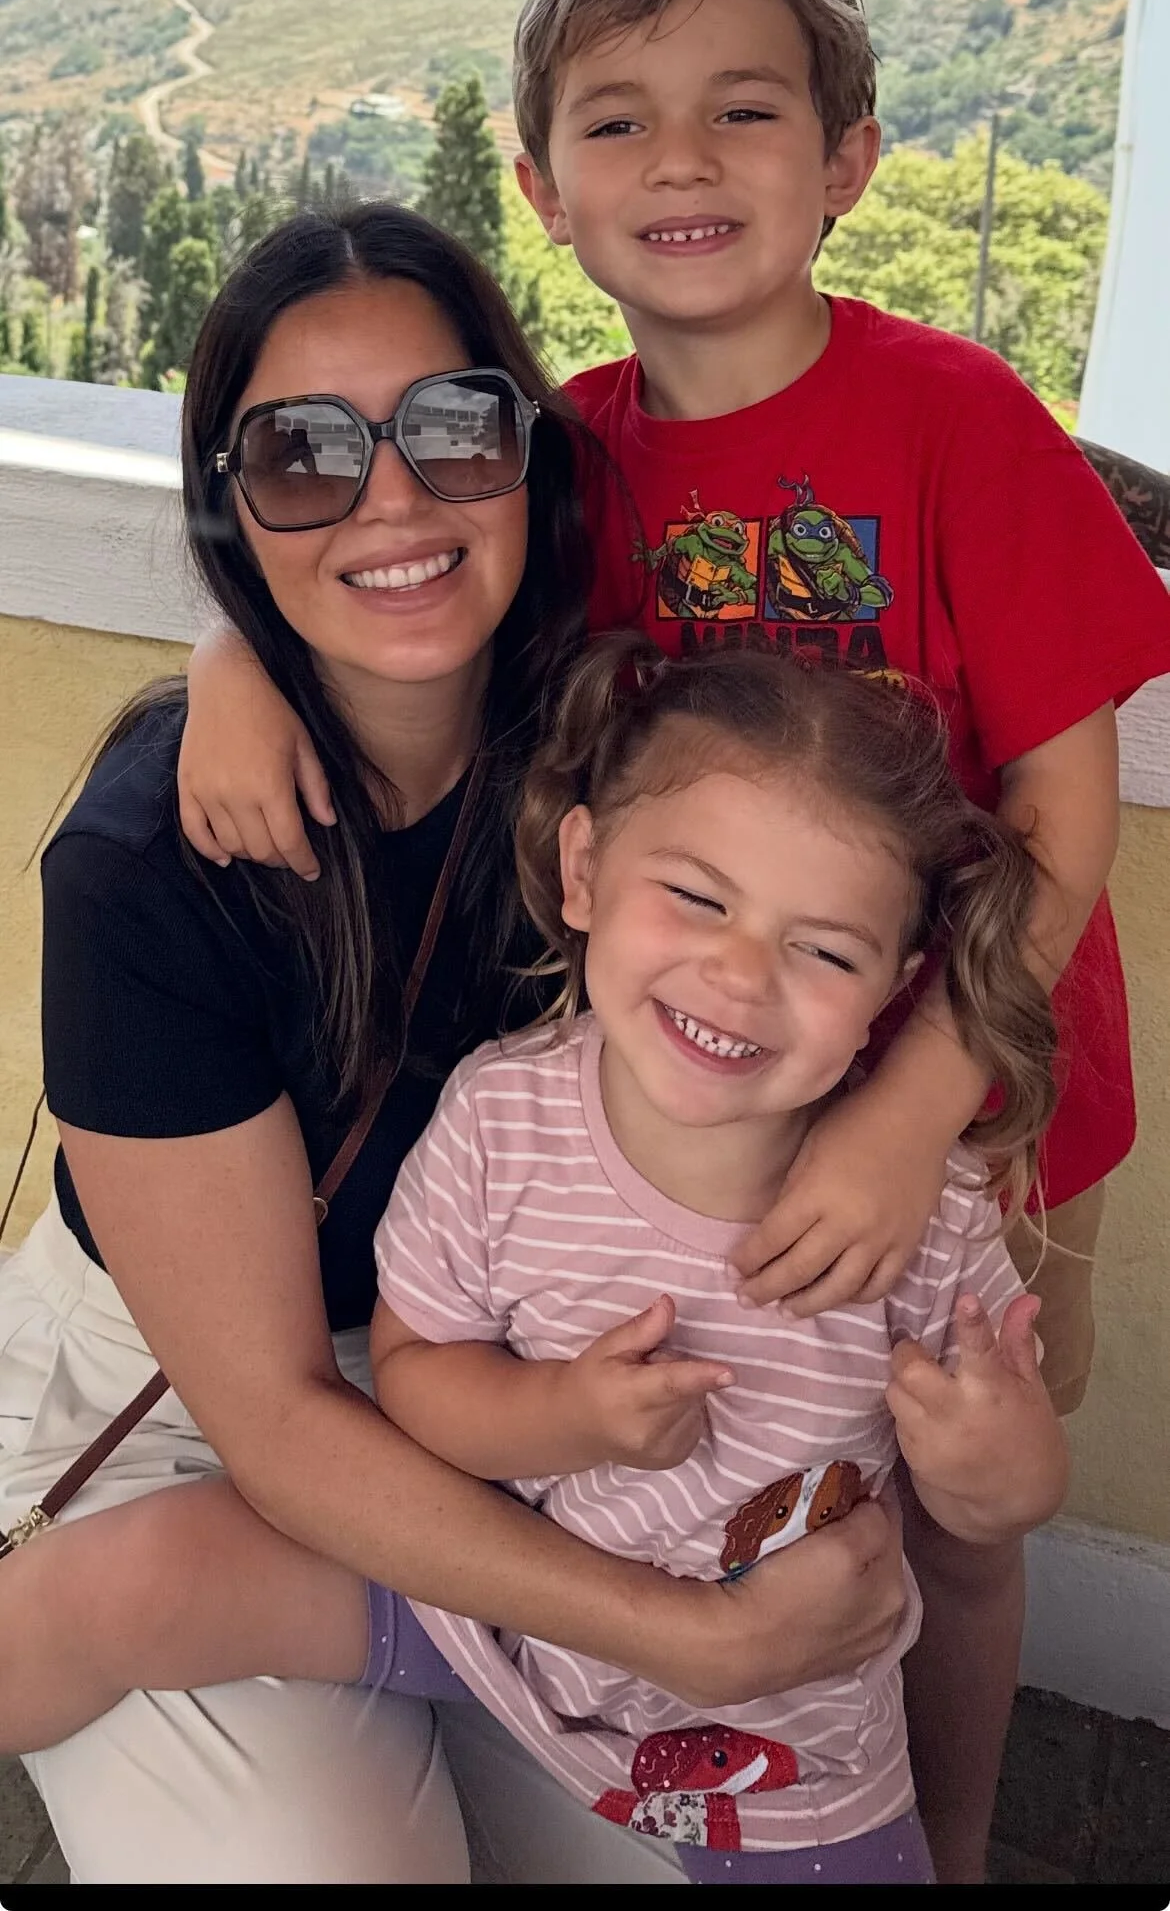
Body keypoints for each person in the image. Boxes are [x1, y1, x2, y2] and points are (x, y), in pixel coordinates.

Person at [172, 0, 1170, 1879]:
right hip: (697, 1114)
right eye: (618, 125)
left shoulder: (963, 420)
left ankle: (948, 1836)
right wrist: (226, 662)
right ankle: (714, 1740)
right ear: (541, 190)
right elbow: (389, 583)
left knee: (962, 1504)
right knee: (739, 1451)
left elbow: (1069, 806)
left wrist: (907, 1115)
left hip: (982, 1099)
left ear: (849, 157)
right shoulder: (571, 464)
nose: (686, 162)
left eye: (742, 110)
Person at [0, 207, 909, 1887]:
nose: (392, 498)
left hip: (511, 1387)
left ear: (525, 455)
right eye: (303, 458)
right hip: (194, 1404)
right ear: (230, 501)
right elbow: (274, 1415)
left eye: (449, 427)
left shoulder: (610, 748)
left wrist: (906, 1126)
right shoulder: (147, 867)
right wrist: (669, 1630)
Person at [0, 642, 1069, 1884]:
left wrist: (1004, 1473)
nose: (738, 973)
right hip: (494, 1619)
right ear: (582, 869)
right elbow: (417, 1374)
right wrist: (563, 1415)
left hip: (780, 1752)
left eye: (823, 951)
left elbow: (991, 1522)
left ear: (896, 982)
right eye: (700, 900)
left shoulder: (916, 1205)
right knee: (145, 1573)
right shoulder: (507, 1118)